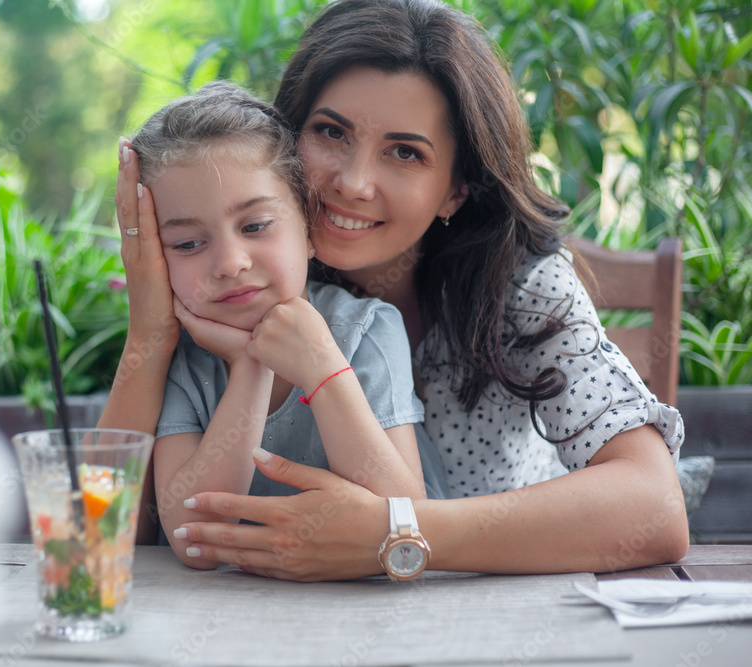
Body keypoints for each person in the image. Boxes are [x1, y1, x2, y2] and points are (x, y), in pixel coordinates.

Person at [104, 0, 688, 579]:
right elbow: (112, 532)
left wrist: (397, 534)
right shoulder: (231, 294)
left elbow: (655, 509)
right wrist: (150, 333)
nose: (353, 183)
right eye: (331, 132)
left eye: (405, 152)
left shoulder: (523, 285)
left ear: (456, 189)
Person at [124, 81, 436, 569]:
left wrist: (324, 368)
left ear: (308, 227)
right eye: (187, 244)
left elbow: (406, 514)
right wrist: (250, 367)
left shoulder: (365, 330)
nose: (229, 262)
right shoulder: (185, 360)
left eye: (254, 226)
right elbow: (193, 539)